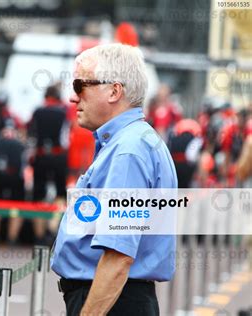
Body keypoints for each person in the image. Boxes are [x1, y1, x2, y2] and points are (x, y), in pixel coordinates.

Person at [51, 43, 177, 316]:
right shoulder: (132, 142)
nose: (74, 97)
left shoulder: (128, 152)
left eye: (80, 85)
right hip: (117, 297)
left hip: (112, 300)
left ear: (114, 91)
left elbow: (118, 256)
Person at [28, 84, 70, 244]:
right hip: (58, 155)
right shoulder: (63, 112)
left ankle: (38, 235)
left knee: (38, 193)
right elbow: (66, 138)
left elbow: (31, 134)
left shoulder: (37, 111)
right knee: (60, 193)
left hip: (40, 156)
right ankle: (52, 229)